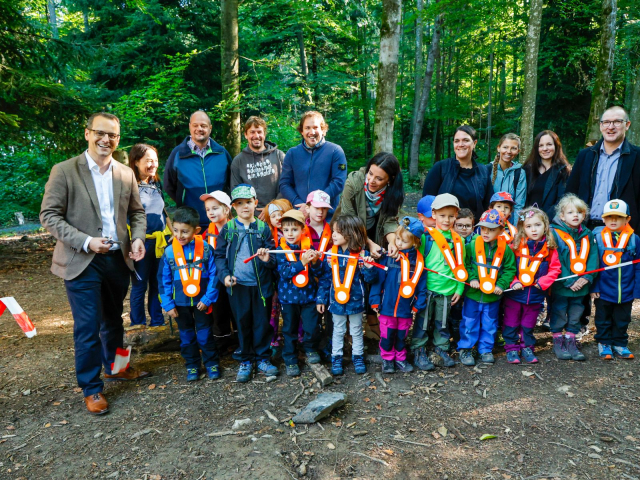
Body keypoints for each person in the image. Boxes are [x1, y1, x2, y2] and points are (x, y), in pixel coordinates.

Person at [40, 112, 150, 415]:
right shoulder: (64, 171)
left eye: (113, 135)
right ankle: (92, 388)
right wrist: (87, 241)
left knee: (114, 320)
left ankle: (117, 367)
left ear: (118, 139)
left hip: (117, 260)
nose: (106, 139)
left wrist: (137, 238)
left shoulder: (125, 172)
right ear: (87, 133)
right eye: (100, 133)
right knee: (87, 327)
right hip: (80, 260)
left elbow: (137, 213)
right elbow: (49, 216)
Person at [333, 152, 405, 338]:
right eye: (370, 174)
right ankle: (347, 327)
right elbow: (348, 219)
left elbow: (390, 220)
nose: (372, 180)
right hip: (349, 233)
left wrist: (391, 241)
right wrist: (369, 244)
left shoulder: (394, 193)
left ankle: (372, 320)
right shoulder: (354, 182)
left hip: (377, 235)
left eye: (379, 178)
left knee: (374, 275)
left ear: (390, 180)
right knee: (352, 275)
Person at [215, 184, 278, 383]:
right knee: (242, 323)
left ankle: (263, 358)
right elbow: (219, 255)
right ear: (233, 207)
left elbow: (273, 255)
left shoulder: (262, 227)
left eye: (248, 202)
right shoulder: (229, 228)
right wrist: (224, 276)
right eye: (239, 203)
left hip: (261, 286)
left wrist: (267, 259)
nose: (244, 207)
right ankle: (246, 360)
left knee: (261, 323)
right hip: (237, 286)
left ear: (256, 203)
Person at [158, 207, 220, 381]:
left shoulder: (206, 249)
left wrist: (208, 298)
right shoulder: (169, 252)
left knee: (205, 335)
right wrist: (168, 304)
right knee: (186, 337)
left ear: (196, 230)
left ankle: (211, 364)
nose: (179, 235)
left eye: (185, 231)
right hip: (180, 305)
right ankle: (192, 366)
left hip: (202, 303)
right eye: (176, 230)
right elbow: (163, 281)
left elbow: (215, 276)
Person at [411, 194, 468, 370]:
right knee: (423, 320)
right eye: (442, 215)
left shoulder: (459, 241)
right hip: (427, 289)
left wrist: (459, 288)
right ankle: (418, 349)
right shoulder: (426, 237)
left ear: (456, 216)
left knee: (442, 322)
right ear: (434, 214)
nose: (446, 219)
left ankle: (441, 348)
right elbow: (416, 260)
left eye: (451, 216)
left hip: (447, 290)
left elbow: (461, 266)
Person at [316, 216, 377, 375]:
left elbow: (370, 279)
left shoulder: (361, 254)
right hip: (336, 301)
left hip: (355, 300)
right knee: (338, 329)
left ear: (350, 234)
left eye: (337, 232)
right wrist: (321, 298)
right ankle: (336, 356)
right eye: (333, 231)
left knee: (356, 329)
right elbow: (325, 278)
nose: (333, 235)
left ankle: (358, 356)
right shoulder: (330, 254)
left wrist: (369, 267)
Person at [266, 209, 324, 377]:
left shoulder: (309, 247)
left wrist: (314, 262)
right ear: (281, 231)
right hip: (288, 298)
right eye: (286, 230)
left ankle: (310, 349)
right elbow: (284, 272)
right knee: (289, 330)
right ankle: (290, 359)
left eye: (294, 229)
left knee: (311, 327)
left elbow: (319, 272)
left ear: (303, 230)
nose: (290, 233)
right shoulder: (280, 250)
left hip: (309, 297)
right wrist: (302, 262)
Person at [566, 106, 640, 231]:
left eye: (617, 122)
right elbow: (570, 193)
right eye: (606, 122)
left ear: (627, 125)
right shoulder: (585, 156)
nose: (610, 127)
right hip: (584, 230)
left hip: (623, 233)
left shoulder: (637, 156)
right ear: (601, 126)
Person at [458, 209, 516, 366]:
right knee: (469, 321)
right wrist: (473, 278)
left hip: (493, 297)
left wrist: (501, 285)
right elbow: (466, 264)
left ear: (501, 230)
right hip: (473, 295)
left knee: (490, 323)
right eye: (483, 228)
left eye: (491, 229)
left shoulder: (506, 250)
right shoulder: (471, 246)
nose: (486, 232)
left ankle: (486, 349)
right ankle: (466, 348)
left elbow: (510, 269)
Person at [370, 217, 428, 374]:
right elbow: (378, 281)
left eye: (404, 241)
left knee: (402, 336)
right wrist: (375, 300)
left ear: (415, 243)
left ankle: (400, 358)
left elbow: (422, 286)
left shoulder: (419, 262)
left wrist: (418, 305)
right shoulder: (388, 257)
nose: (399, 243)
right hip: (387, 307)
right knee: (387, 336)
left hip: (405, 309)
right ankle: (387, 359)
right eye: (397, 239)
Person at [503, 207, 561, 364]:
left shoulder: (549, 248)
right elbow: (507, 267)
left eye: (537, 225)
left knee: (528, 324)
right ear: (522, 228)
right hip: (515, 295)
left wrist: (544, 282)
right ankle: (511, 348)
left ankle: (527, 347)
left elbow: (555, 269)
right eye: (529, 226)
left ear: (545, 226)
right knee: (511, 322)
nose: (534, 230)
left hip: (535, 295)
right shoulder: (514, 246)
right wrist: (513, 281)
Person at [549, 194, 598, 361]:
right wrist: (568, 280)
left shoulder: (588, 234)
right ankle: (557, 338)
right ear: (562, 216)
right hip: (562, 284)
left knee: (577, 312)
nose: (575, 215)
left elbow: (593, 257)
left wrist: (587, 277)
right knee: (559, 311)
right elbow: (555, 259)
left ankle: (571, 338)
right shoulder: (554, 233)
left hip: (581, 284)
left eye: (579, 212)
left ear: (584, 215)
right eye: (570, 212)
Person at [164, 110, 233, 228]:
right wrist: (183, 201)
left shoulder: (222, 153)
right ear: (190, 127)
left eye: (203, 126)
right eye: (195, 125)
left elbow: (231, 183)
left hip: (220, 221)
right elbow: (169, 185)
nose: (199, 129)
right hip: (190, 221)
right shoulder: (178, 154)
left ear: (210, 128)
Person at [591, 199, 640, 360]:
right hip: (604, 289)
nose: (613, 220)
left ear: (627, 219)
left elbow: (638, 266)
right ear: (603, 219)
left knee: (623, 318)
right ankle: (604, 342)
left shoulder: (634, 240)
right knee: (602, 317)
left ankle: (620, 343)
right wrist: (594, 287)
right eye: (609, 217)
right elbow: (593, 265)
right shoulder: (597, 238)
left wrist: (636, 288)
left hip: (625, 290)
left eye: (618, 217)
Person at [128, 143, 169, 327]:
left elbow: (163, 211)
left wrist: (173, 232)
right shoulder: (129, 187)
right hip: (140, 245)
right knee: (139, 286)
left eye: (156, 160)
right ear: (136, 162)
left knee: (157, 283)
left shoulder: (155, 183)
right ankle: (138, 324)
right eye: (149, 161)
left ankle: (157, 321)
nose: (154, 164)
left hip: (160, 244)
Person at [279, 111, 347, 217]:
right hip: (299, 215)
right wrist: (300, 205)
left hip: (327, 216)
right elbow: (284, 184)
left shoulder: (335, 151)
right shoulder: (292, 153)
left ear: (323, 130)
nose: (312, 132)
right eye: (307, 128)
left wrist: (315, 205)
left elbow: (338, 182)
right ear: (301, 131)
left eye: (316, 127)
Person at [422, 125, 494, 221]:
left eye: (466, 140)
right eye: (457, 141)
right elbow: (427, 202)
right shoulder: (440, 168)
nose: (461, 144)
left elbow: (488, 206)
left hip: (473, 231)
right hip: (444, 230)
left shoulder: (483, 171)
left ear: (474, 143)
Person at [200, 190, 236, 353]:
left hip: (235, 276)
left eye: (215, 208)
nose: (211, 212)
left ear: (226, 209)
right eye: (208, 210)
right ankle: (222, 344)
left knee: (236, 310)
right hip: (215, 279)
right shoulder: (207, 233)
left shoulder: (237, 227)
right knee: (219, 310)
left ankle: (239, 342)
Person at [230, 116, 285, 219]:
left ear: (264, 134)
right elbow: (235, 191)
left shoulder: (279, 156)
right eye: (252, 132)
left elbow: (286, 185)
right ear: (246, 135)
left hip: (278, 214)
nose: (256, 136)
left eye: (259, 132)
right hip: (250, 217)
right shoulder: (238, 161)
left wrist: (272, 207)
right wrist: (251, 211)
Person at [263, 198, 294, 355]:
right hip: (275, 280)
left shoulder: (294, 233)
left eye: (281, 215)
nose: (278, 219)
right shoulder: (267, 235)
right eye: (274, 216)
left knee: (292, 311)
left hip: (293, 279)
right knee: (273, 311)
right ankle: (273, 339)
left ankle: (297, 338)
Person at [522, 130, 571, 220]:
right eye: (541, 145)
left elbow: (561, 201)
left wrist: (543, 219)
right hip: (527, 222)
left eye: (549, 144)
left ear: (556, 146)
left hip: (551, 223)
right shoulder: (527, 170)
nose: (545, 148)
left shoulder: (563, 171)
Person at [450, 208, 476, 350]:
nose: (464, 229)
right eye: (460, 225)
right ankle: (454, 336)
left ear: (473, 226)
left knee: (468, 311)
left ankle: (466, 337)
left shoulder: (476, 242)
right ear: (454, 226)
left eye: (467, 226)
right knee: (454, 309)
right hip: (453, 282)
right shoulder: (450, 241)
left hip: (471, 282)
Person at [488, 133, 526, 223]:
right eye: (505, 147)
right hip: (489, 223)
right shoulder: (487, 169)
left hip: (509, 224)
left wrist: (515, 230)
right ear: (498, 148)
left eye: (513, 148)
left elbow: (519, 205)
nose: (508, 151)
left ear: (518, 151)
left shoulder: (519, 173)